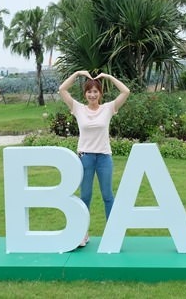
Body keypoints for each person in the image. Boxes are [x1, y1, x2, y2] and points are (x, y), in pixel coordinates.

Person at [58, 70, 130, 247]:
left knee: (108, 196)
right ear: (85, 94)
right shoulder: (78, 109)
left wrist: (108, 77)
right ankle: (82, 233)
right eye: (89, 91)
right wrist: (76, 74)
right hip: (85, 158)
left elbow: (126, 92)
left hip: (104, 157)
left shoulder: (108, 108)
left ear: (100, 94)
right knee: (86, 196)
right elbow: (62, 89)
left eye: (95, 91)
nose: (92, 94)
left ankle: (113, 233)